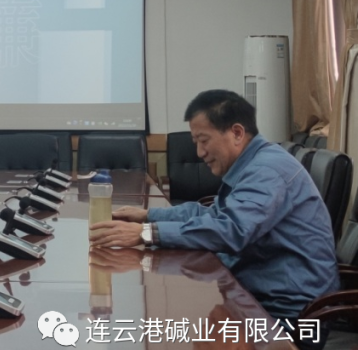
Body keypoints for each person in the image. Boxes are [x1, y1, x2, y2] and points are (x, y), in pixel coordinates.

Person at [89, 89, 339, 320]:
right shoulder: (254, 163)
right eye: (196, 142)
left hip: (290, 312)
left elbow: (231, 230)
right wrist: (148, 216)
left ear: (237, 133)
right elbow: (215, 214)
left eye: (204, 140)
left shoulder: (267, 171)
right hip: (259, 295)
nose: (199, 153)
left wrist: (146, 233)